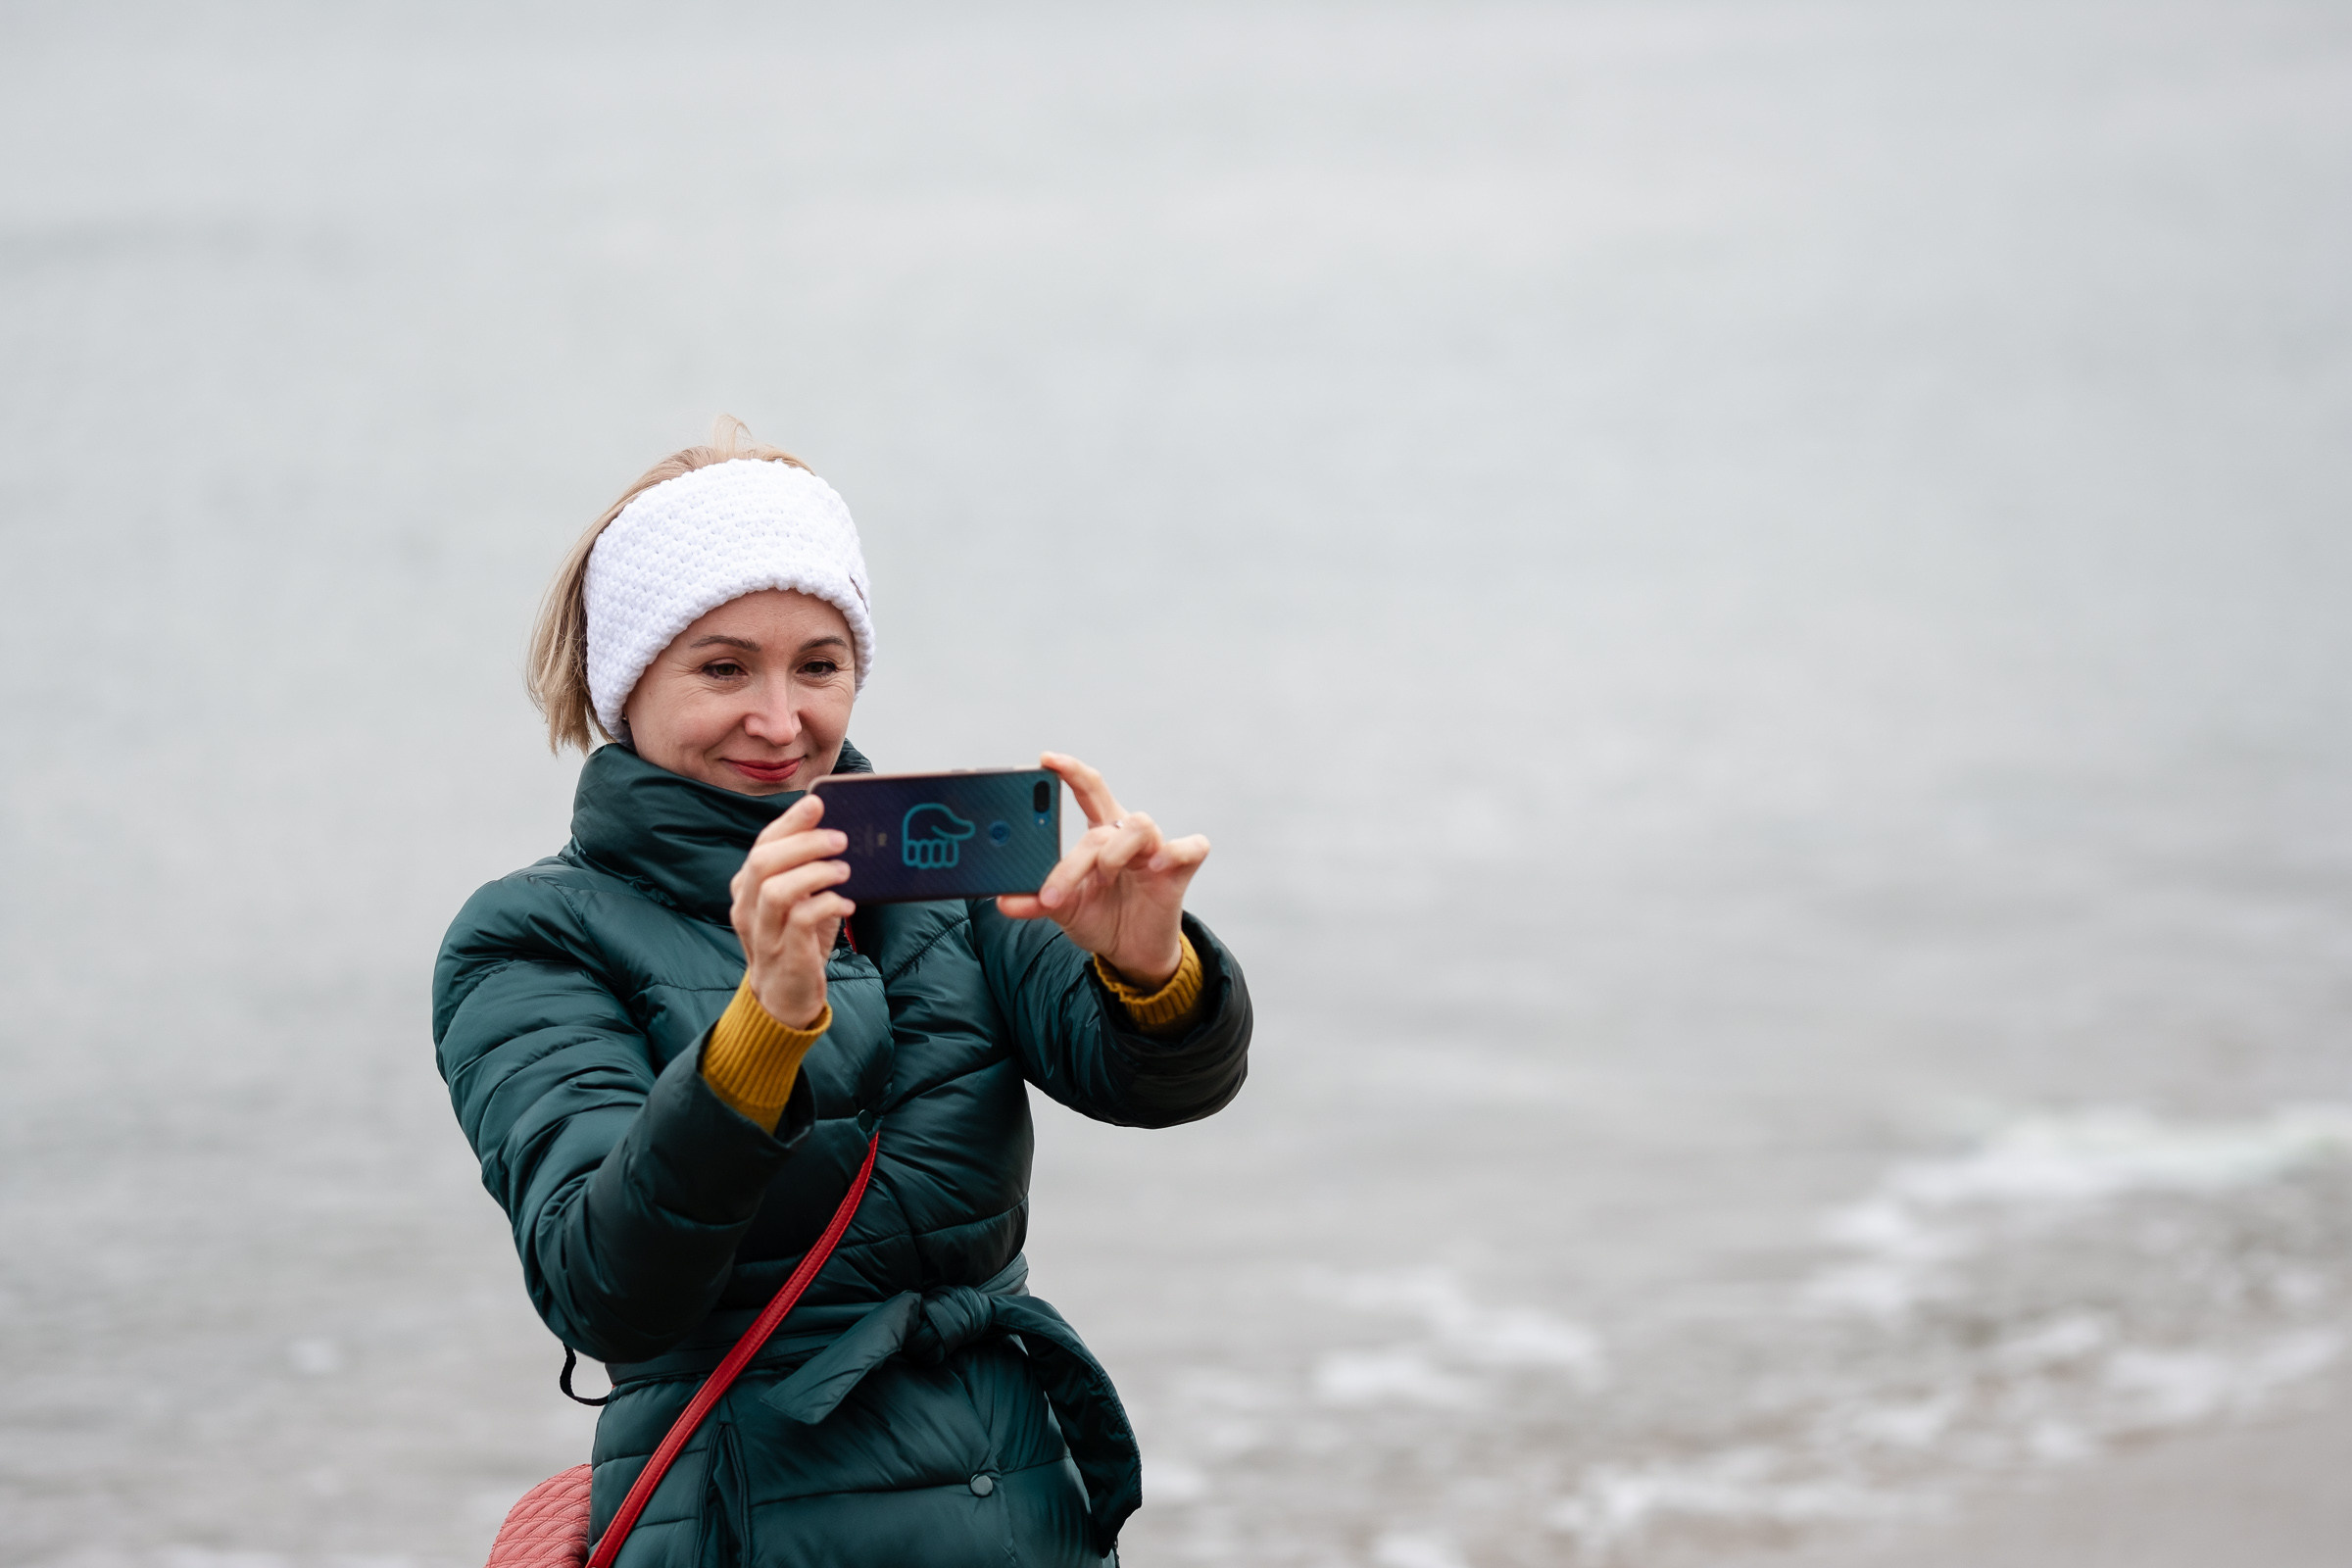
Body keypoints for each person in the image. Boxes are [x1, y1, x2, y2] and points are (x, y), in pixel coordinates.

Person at [432, 419, 1252, 1567]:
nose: (781, 720)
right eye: (723, 667)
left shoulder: (940, 868)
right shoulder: (531, 936)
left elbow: (1164, 1085)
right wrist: (762, 1028)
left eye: (818, 664)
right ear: (626, 682)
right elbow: (605, 1288)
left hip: (1021, 1512)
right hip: (753, 1524)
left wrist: (1150, 970)